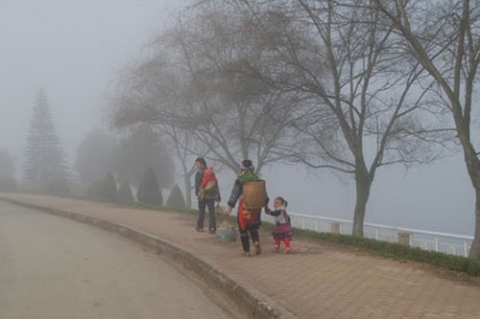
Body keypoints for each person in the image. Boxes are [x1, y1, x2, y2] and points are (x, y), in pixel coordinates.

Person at [224, 159, 266, 257]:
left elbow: (235, 194)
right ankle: (256, 241)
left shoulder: (240, 180)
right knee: (253, 228)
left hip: (244, 208)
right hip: (256, 208)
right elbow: (264, 194)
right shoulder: (257, 179)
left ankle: (246, 251)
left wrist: (230, 208)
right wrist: (266, 206)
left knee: (243, 229)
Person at [194, 158, 220, 234]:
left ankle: (200, 227)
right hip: (211, 195)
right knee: (211, 212)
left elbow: (197, 185)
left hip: (202, 195)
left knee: (201, 211)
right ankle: (212, 228)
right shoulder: (211, 173)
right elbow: (216, 184)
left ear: (202, 164)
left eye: (197, 164)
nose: (196, 166)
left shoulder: (199, 173)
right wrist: (218, 195)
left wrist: (197, 194)